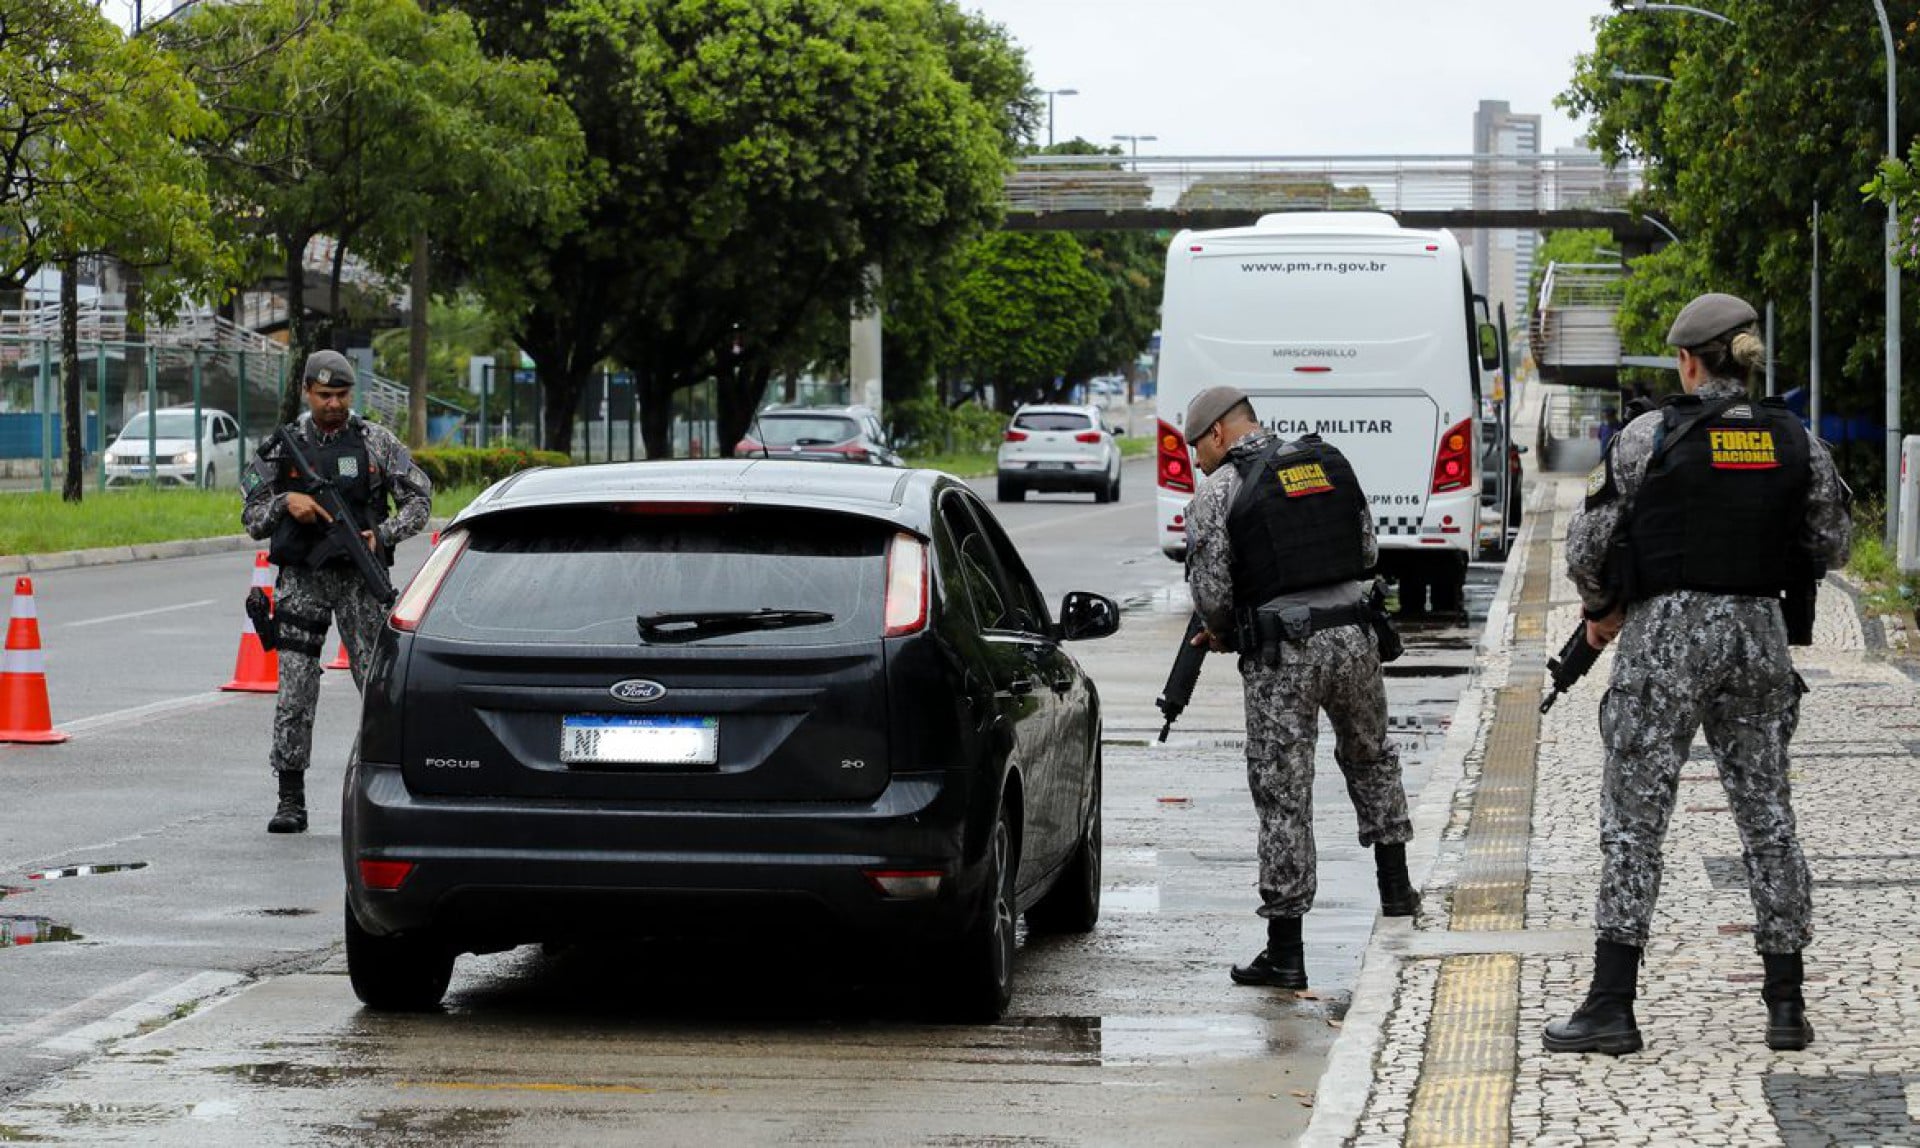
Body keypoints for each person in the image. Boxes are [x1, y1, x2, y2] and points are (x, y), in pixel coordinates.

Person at [1545, 293, 1851, 1055]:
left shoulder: (1648, 435)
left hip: (1666, 641)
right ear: (1744, 359)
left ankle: (1612, 1007)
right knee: (1767, 820)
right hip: (1758, 636)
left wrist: (1602, 609)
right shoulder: (1795, 439)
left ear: (1687, 360)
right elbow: (1834, 542)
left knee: (1634, 826)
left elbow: (1588, 546)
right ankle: (1786, 1006)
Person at [1182, 385, 1418, 990]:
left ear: (1217, 434)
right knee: (1372, 757)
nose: (1196, 463)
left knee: (1283, 791)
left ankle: (1286, 952)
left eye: (1196, 449)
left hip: (1283, 653)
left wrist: (1221, 631)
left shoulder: (1218, 490)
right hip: (1356, 638)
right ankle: (1397, 892)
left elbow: (1211, 594)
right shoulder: (1326, 460)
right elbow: (1367, 550)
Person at [241, 351, 433, 834]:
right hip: (303, 581)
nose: (333, 403)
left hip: (359, 582)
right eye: (324, 395)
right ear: (307, 391)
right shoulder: (284, 448)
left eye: (342, 395)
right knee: (296, 690)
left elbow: (420, 501)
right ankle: (291, 799)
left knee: (377, 687)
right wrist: (289, 502)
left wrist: (381, 536)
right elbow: (252, 518)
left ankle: (387, 789)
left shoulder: (375, 442)